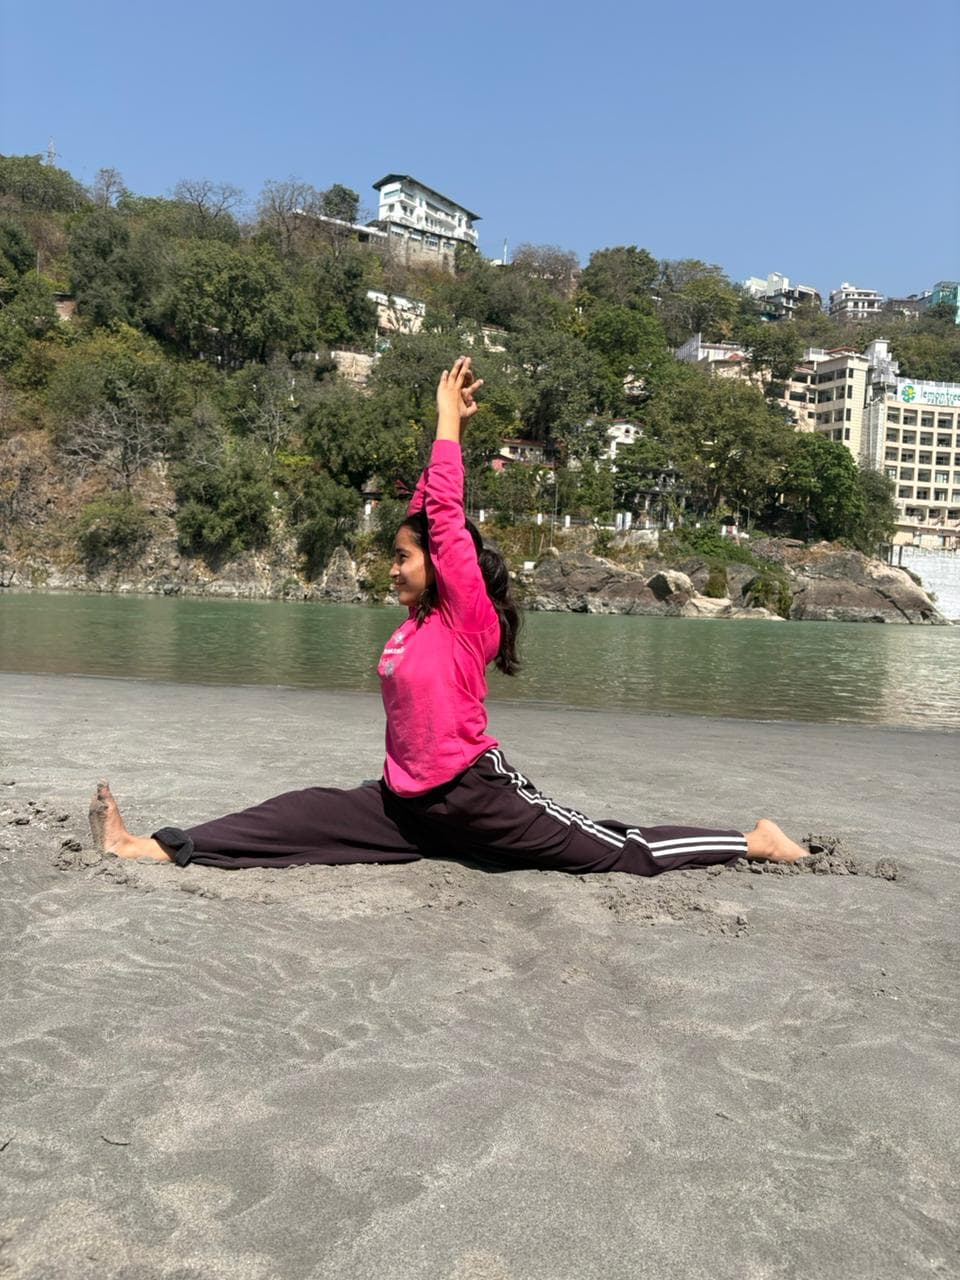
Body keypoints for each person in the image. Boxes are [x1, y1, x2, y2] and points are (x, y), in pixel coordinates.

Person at [90, 357, 808, 872]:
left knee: (615, 848)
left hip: (474, 798)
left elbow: (444, 512)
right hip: (403, 804)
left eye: (404, 557)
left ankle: (754, 840)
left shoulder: (467, 619)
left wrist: (446, 425)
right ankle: (146, 845)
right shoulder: (410, 630)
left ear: (443, 564)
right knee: (294, 815)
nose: (393, 567)